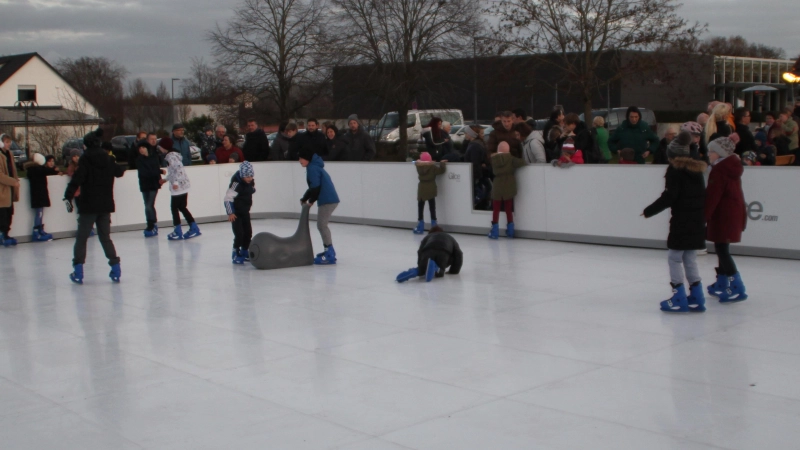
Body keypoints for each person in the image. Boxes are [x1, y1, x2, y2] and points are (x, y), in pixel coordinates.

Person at [642, 131, 708, 313]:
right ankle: (697, 295)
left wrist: (649, 210)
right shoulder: (697, 170)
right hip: (696, 220)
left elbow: (670, 196)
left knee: (674, 257)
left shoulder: (674, 171)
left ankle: (678, 295)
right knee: (690, 257)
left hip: (682, 220)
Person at [64, 129, 126, 284]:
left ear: (85, 145)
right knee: (105, 238)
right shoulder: (108, 158)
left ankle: (78, 271)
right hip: (105, 205)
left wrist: (68, 196)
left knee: (82, 238)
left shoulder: (85, 160)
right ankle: (116, 268)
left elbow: (77, 179)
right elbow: (119, 172)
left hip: (88, 205)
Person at [705, 136, 748, 303]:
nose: (708, 154)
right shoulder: (729, 167)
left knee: (722, 249)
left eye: (711, 151)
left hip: (724, 215)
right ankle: (723, 282)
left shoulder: (720, 170)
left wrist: (702, 217)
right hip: (730, 213)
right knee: (721, 247)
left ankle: (736, 285)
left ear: (720, 153)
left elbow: (712, 197)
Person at [298, 147, 341, 265]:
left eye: (302, 158)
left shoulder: (312, 168)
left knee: (322, 225)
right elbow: (313, 187)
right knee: (322, 225)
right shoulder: (313, 167)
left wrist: (311, 201)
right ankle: (328, 250)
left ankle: (329, 253)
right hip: (328, 199)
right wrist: (305, 197)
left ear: (307, 159)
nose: (299, 160)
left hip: (327, 200)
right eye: (299, 158)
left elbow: (316, 188)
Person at [396, 226, 463, 283]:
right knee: (440, 272)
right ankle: (436, 268)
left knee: (422, 269)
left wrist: (421, 265)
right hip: (443, 252)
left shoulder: (427, 237)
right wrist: (454, 271)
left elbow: (420, 251)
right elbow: (459, 254)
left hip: (428, 250)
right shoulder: (450, 237)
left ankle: (415, 271)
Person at [488, 141, 526, 239]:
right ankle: (510, 231)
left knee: (496, 209)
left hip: (497, 184)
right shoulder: (511, 159)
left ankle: (494, 232)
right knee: (508, 209)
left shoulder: (493, 159)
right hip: (509, 185)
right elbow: (523, 162)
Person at [164, 150, 201, 240]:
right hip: (184, 186)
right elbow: (173, 172)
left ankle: (178, 230)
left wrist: (176, 182)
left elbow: (178, 170)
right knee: (182, 207)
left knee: (174, 208)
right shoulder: (175, 155)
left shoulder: (171, 156)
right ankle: (193, 226)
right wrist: (165, 179)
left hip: (178, 188)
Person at [25, 153, 62, 242]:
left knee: (40, 213)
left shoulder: (36, 169)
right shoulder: (35, 170)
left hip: (39, 194)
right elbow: (46, 171)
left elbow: (45, 171)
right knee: (39, 213)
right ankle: (36, 232)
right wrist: (55, 170)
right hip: (38, 195)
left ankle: (40, 230)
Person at [224, 161, 256, 265]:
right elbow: (227, 199)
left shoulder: (249, 183)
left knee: (248, 233)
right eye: (247, 176)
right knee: (239, 234)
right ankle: (235, 251)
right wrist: (230, 213)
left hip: (245, 212)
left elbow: (250, 190)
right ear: (242, 175)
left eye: (251, 176)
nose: (249, 178)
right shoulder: (236, 184)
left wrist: (252, 189)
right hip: (236, 214)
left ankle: (244, 251)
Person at [136, 133, 166, 237]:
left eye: (143, 147)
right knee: (148, 205)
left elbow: (153, 170)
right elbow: (145, 172)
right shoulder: (140, 159)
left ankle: (151, 224)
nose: (141, 150)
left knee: (149, 205)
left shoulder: (154, 157)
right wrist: (157, 172)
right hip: (144, 185)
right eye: (140, 148)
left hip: (153, 184)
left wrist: (159, 172)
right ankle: (152, 223)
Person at [412, 152, 446, 234]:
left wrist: (418, 161)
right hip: (431, 187)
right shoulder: (433, 167)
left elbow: (416, 162)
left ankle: (420, 226)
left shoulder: (418, 167)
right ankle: (434, 225)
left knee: (420, 206)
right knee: (432, 206)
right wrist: (442, 163)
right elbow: (441, 170)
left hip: (421, 187)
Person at [463, 125, 492, 209]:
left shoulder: (474, 146)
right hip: (481, 174)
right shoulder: (476, 144)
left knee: (480, 192)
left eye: (466, 133)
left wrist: (476, 177)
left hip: (477, 175)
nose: (465, 134)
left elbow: (475, 163)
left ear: (471, 134)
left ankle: (478, 205)